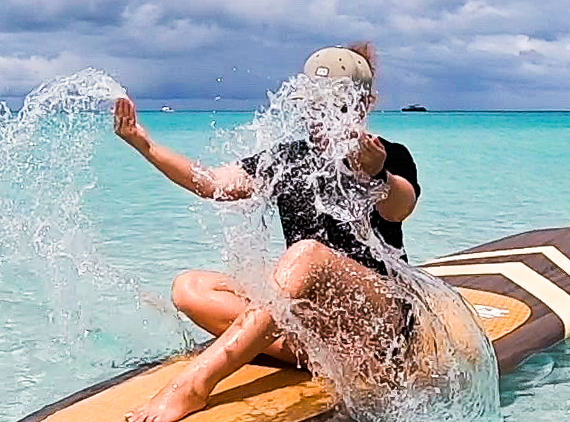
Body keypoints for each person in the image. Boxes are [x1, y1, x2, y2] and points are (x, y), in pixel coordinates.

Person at [114, 42, 423, 422]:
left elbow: (399, 207)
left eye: (335, 104)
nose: (320, 114)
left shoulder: (387, 156)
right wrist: (144, 145)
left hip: (380, 327)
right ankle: (317, 355)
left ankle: (194, 386)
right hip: (317, 329)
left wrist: (376, 175)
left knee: (307, 255)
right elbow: (212, 183)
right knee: (190, 288)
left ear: (364, 105)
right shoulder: (289, 158)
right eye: (314, 104)